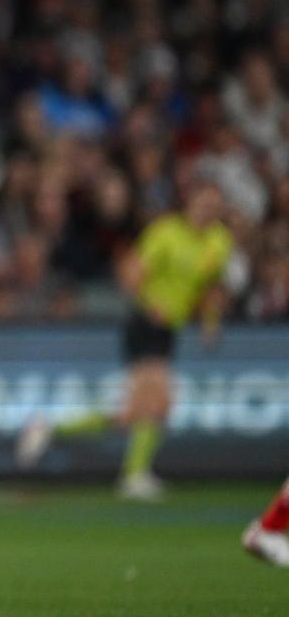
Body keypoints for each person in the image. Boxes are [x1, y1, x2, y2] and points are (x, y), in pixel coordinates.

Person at [17, 181, 232, 501]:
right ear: (190, 203)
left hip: (170, 329)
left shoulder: (219, 241)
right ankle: (133, 475)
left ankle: (49, 428)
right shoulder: (166, 232)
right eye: (203, 202)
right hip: (146, 323)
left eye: (214, 205)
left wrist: (210, 324)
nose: (208, 210)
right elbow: (132, 270)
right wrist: (150, 302)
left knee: (136, 412)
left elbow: (212, 289)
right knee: (158, 402)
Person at [243, 478, 289, 567]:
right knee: (285, 562)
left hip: (276, 535)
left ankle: (271, 558)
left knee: (284, 562)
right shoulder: (284, 501)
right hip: (265, 533)